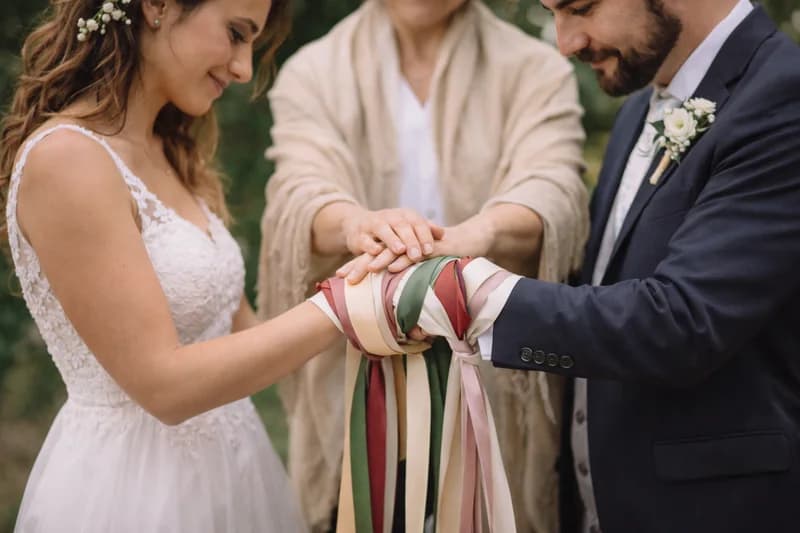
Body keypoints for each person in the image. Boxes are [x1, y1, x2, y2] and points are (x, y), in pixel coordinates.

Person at [404, 0, 800, 532]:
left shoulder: (782, 97)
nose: (566, 42)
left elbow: (681, 320)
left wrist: (468, 293)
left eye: (580, 8)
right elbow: (607, 284)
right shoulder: (643, 105)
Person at [0, 0, 342, 531]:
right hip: (135, 492)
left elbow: (245, 335)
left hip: (233, 471)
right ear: (158, 6)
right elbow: (165, 386)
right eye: (235, 33)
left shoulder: (171, 152)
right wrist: (343, 310)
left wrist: (370, 277)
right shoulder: (66, 160)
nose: (243, 68)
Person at [256, 0, 590, 530]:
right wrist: (356, 225)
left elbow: (554, 187)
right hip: (359, 385)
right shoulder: (313, 71)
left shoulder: (534, 66)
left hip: (492, 380)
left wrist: (471, 237)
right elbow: (298, 189)